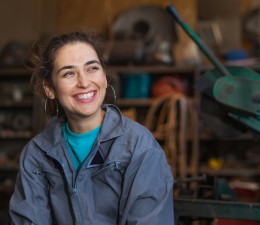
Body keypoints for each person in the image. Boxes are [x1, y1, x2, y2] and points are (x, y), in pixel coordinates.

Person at [9, 31, 174, 225]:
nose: (84, 82)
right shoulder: (36, 155)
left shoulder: (139, 147)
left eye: (92, 68)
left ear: (104, 77)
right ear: (50, 89)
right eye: (69, 73)